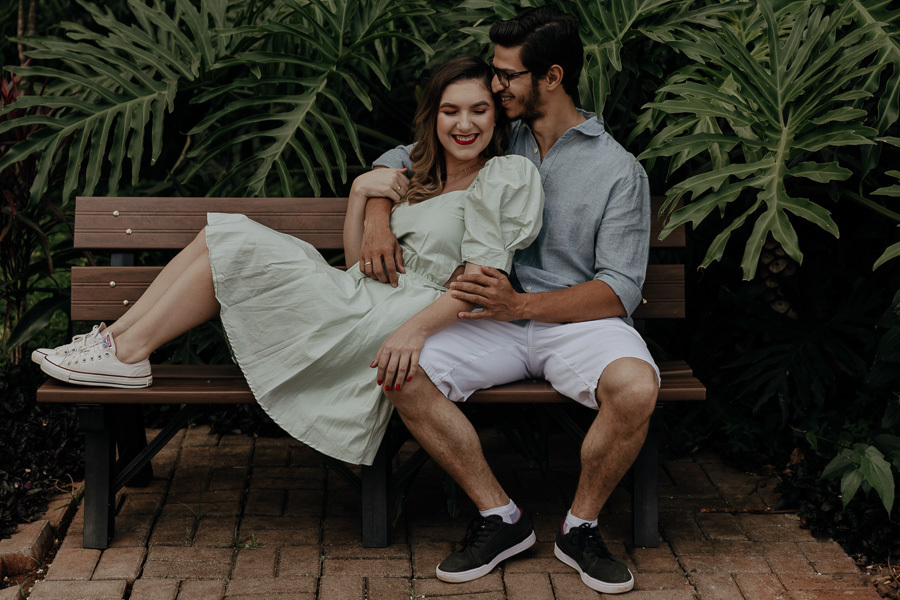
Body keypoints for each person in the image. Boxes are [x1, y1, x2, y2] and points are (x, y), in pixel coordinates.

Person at [35, 56, 545, 468]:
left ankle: (124, 353)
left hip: (398, 317)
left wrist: (414, 331)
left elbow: (481, 280)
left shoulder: (504, 177)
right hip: (362, 295)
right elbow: (357, 262)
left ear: (496, 116)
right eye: (450, 111)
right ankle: (118, 346)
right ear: (433, 116)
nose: (464, 124)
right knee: (220, 235)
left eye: (478, 110)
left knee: (232, 239)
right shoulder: (419, 177)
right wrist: (359, 193)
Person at [353, 7, 659, 595]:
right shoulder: (497, 128)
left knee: (637, 387)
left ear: (552, 77)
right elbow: (404, 156)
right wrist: (375, 216)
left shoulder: (618, 171)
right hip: (480, 318)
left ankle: (580, 527)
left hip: (571, 321)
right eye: (495, 72)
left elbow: (619, 289)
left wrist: (521, 307)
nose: (495, 86)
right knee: (401, 373)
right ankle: (501, 517)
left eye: (508, 75)